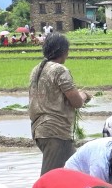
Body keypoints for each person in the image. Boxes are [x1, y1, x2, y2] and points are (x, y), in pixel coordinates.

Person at [29, 34, 92, 175]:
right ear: (64, 51)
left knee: (75, 170)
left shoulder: (37, 69)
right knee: (49, 177)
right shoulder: (59, 70)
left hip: (40, 130)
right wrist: (84, 95)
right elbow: (76, 102)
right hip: (55, 131)